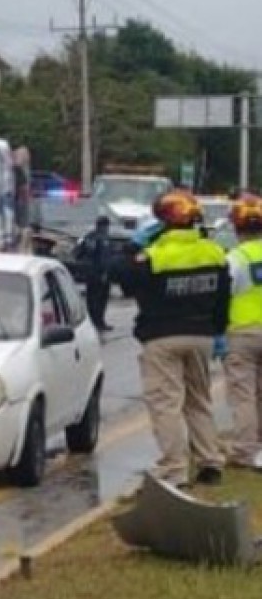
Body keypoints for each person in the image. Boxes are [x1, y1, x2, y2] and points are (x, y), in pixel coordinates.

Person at [117, 190, 230, 488]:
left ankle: (174, 469)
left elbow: (122, 278)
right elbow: (223, 298)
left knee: (166, 404)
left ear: (161, 222)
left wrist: (132, 247)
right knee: (198, 400)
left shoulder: (153, 256)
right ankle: (210, 462)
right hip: (202, 336)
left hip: (161, 337)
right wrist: (217, 331)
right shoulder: (214, 252)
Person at [220, 198, 262, 470]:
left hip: (242, 333)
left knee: (243, 394)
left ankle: (246, 452)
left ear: (237, 228)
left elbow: (223, 294)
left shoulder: (235, 258)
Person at [77, 216, 116, 333]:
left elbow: (78, 253)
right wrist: (105, 273)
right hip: (100, 273)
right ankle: (98, 322)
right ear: (105, 226)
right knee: (100, 299)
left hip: (90, 273)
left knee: (92, 298)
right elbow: (104, 258)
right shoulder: (103, 239)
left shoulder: (88, 236)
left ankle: (96, 321)